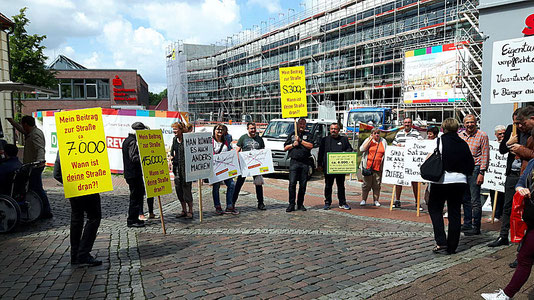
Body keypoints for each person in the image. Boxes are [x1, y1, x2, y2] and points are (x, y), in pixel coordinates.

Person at [480, 156, 534, 300]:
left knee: (525, 257)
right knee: (524, 257)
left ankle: (505, 295)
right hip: (532, 218)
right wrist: (521, 188)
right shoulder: (533, 162)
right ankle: (505, 295)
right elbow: (521, 181)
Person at [426, 118, 474, 255]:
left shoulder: (439, 141)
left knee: (434, 209)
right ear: (457, 128)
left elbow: (429, 158)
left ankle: (441, 241)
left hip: (441, 180)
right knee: (454, 213)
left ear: (443, 128)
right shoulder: (463, 144)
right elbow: (470, 164)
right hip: (459, 182)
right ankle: (452, 246)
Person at [54, 153, 102, 266]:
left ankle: (75, 255)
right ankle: (83, 254)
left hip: (73, 189)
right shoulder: (88, 144)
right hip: (88, 186)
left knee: (77, 218)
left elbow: (56, 173)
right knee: (94, 217)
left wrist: (71, 183)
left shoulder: (63, 147)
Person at [7, 115, 52, 218]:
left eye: (23, 125)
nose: (23, 127)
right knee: (34, 188)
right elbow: (22, 130)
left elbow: (40, 148)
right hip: (32, 165)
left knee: (37, 188)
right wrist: (12, 122)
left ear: (26, 124)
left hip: (35, 166)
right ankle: (41, 210)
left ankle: (46, 210)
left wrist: (40, 161)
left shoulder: (35, 134)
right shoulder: (31, 132)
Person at [460, 114, 490, 236]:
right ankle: (467, 223)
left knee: (475, 200)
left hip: (475, 169)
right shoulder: (460, 135)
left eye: (471, 122)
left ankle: (476, 226)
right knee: (465, 199)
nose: (469, 125)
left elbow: (485, 155)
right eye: (467, 122)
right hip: (462, 170)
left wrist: (482, 172)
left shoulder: (482, 135)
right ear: (464, 124)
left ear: (476, 122)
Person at [122, 122, 152, 228]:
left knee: (136, 196)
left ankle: (134, 218)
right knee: (135, 197)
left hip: (131, 173)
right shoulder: (133, 141)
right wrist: (145, 157)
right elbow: (133, 158)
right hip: (134, 174)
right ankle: (132, 220)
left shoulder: (127, 140)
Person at [318, 123, 353, 210]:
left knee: (341, 186)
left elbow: (349, 149)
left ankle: (342, 202)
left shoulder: (344, 139)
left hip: (340, 167)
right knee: (328, 186)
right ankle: (327, 202)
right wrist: (319, 164)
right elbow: (321, 153)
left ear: (339, 130)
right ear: (329, 130)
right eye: (332, 129)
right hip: (329, 168)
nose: (333, 130)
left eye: (335, 129)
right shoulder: (325, 140)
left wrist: (346, 153)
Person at [232, 122, 265, 212]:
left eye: (254, 128)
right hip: (245, 165)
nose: (253, 130)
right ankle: (232, 202)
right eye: (251, 128)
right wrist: (239, 161)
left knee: (258, 184)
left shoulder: (259, 139)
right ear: (248, 129)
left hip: (256, 165)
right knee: (239, 184)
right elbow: (237, 150)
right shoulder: (243, 138)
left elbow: (262, 151)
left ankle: (261, 203)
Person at [284, 118, 314, 212]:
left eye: (303, 124)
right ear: (297, 125)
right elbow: (285, 147)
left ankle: (300, 204)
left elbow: (311, 146)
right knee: (292, 184)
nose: (301, 125)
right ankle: (291, 204)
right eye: (300, 124)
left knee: (303, 185)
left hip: (305, 162)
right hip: (294, 162)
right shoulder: (292, 134)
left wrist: (300, 141)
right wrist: (293, 144)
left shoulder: (308, 135)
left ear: (305, 125)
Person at [392, 117, 422, 209]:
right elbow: (393, 144)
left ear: (411, 123)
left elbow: (421, 144)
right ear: (403, 123)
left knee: (415, 182)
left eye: (409, 122)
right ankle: (397, 200)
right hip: (401, 161)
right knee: (398, 180)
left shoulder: (416, 134)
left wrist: (406, 146)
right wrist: (396, 145)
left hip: (412, 162)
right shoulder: (399, 134)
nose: (407, 124)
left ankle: (417, 202)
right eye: (405, 122)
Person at [171, 122, 194, 219]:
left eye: (176, 129)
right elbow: (172, 151)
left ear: (181, 129)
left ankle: (190, 210)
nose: (174, 131)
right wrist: (171, 157)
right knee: (178, 189)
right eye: (173, 129)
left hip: (186, 169)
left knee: (187, 188)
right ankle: (183, 210)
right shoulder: (175, 139)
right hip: (177, 168)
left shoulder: (187, 139)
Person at [359, 127, 387, 207]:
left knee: (377, 184)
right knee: (366, 184)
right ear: (372, 134)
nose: (377, 135)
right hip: (368, 166)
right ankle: (364, 199)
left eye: (378, 133)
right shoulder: (368, 140)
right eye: (375, 133)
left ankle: (376, 200)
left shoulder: (383, 141)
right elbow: (362, 149)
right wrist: (370, 140)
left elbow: (386, 152)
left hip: (378, 167)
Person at [211, 124, 236, 215]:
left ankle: (229, 205)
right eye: (218, 129)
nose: (220, 131)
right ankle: (217, 206)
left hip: (226, 167)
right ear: (214, 131)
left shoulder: (226, 141)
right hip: (216, 168)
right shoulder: (211, 141)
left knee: (231, 184)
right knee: (216, 186)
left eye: (221, 130)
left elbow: (229, 150)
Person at [486, 125, 506, 223]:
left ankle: (502, 213)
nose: (502, 135)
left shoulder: (509, 143)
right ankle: (496, 213)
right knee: (494, 194)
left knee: (504, 196)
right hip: (494, 174)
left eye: (503, 133)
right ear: (495, 135)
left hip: (504, 174)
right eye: (500, 134)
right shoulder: (492, 145)